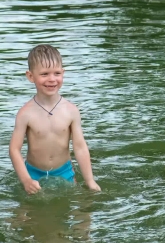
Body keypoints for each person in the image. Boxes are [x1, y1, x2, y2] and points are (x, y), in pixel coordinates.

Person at [9, 44, 100, 194]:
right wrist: (26, 180)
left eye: (57, 73)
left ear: (63, 73)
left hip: (64, 171)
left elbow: (80, 147)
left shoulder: (71, 111)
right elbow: (14, 149)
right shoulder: (25, 113)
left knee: (75, 204)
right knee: (28, 212)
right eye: (44, 74)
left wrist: (90, 181)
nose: (52, 79)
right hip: (33, 172)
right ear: (30, 76)